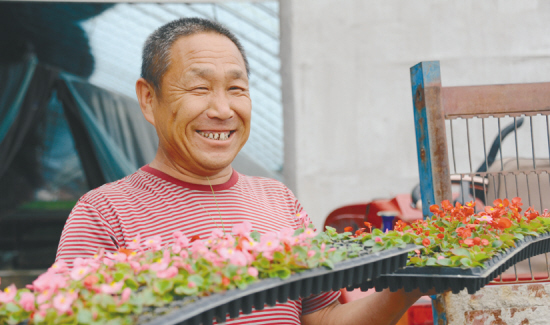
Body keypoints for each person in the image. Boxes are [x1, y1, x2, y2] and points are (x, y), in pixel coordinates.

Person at [56, 17, 425, 325]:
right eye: (199, 87)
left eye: (236, 88)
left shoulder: (278, 200)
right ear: (149, 99)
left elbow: (323, 317)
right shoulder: (103, 214)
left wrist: (407, 288)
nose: (221, 108)